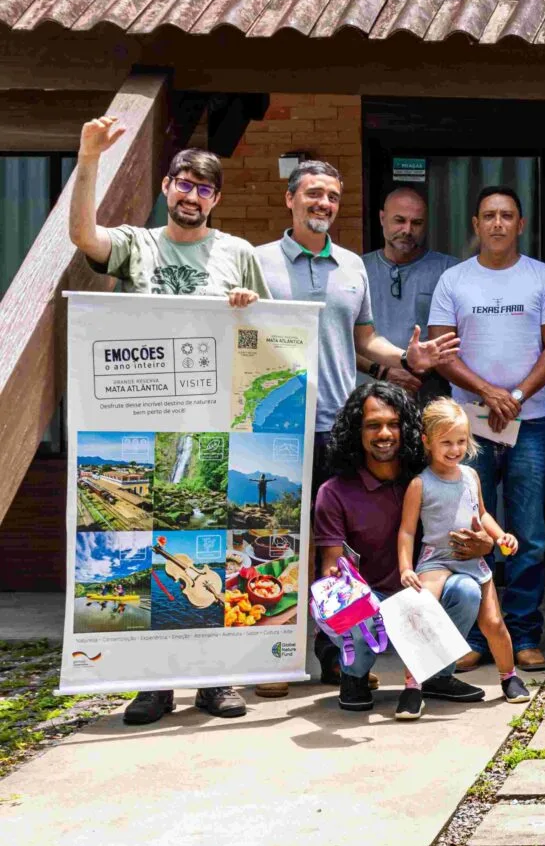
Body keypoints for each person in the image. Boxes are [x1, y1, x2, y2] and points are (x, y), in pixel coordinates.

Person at [67, 117, 264, 726]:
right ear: (166, 186)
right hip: (142, 423)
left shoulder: (238, 253)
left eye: (204, 189)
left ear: (216, 199)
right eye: (183, 184)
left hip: (214, 427)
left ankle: (215, 682)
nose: (192, 196)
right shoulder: (137, 244)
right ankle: (153, 686)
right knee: (146, 552)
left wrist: (247, 307)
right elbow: (81, 236)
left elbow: (263, 335)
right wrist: (87, 158)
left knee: (215, 551)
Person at [255, 160, 460, 696]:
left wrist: (407, 356)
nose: (322, 204)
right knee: (274, 543)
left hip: (336, 424)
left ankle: (334, 656)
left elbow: (365, 341)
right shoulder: (256, 263)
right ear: (290, 200)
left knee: (335, 548)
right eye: (313, 194)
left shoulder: (351, 266)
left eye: (330, 197)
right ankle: (274, 658)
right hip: (270, 429)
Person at [428, 186, 545, 673]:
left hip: (528, 423)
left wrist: (518, 396)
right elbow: (441, 350)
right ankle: (471, 635)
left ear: (521, 224)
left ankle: (524, 633)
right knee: (466, 530)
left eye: (508, 216)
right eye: (489, 215)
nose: (498, 224)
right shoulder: (454, 280)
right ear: (476, 223)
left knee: (526, 533)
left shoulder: (542, 277)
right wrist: (489, 393)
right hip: (467, 428)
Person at [317, 381, 490, 719]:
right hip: (372, 602)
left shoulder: (427, 477)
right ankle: (355, 677)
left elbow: (473, 526)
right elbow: (329, 564)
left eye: (393, 424)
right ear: (357, 431)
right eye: (373, 425)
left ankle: (437, 675)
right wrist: (337, 581)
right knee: (347, 599)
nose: (385, 433)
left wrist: (484, 543)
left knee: (467, 589)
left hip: (425, 592)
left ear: (408, 429)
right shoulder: (334, 492)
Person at [398, 399, 531, 706]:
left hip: (473, 560)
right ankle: (412, 685)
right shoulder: (420, 484)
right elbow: (406, 531)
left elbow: (482, 514)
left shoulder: (471, 476)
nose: (455, 449)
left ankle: (509, 677)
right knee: (421, 615)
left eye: (461, 441)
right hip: (436, 560)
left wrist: (501, 537)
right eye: (446, 442)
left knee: (494, 623)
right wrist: (406, 567)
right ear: (427, 441)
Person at [358, 186, 459, 402]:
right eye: (399, 220)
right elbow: (341, 340)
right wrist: (382, 371)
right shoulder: (356, 270)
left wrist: (424, 366)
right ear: (382, 218)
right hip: (369, 397)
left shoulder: (450, 272)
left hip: (430, 399)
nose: (407, 229)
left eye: (417, 223)